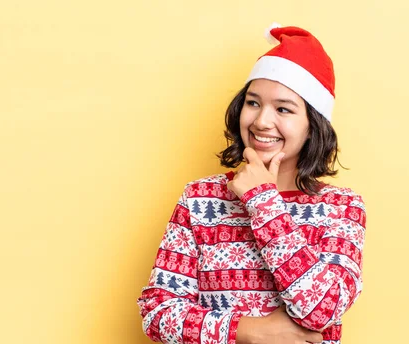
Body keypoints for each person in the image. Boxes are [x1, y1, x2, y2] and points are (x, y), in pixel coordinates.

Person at [137, 23, 367, 344]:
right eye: (253, 102)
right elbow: (158, 312)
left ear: (313, 126)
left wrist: (263, 201)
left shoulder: (342, 208)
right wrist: (251, 331)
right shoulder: (200, 198)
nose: (261, 121)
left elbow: (321, 310)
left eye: (283, 109)